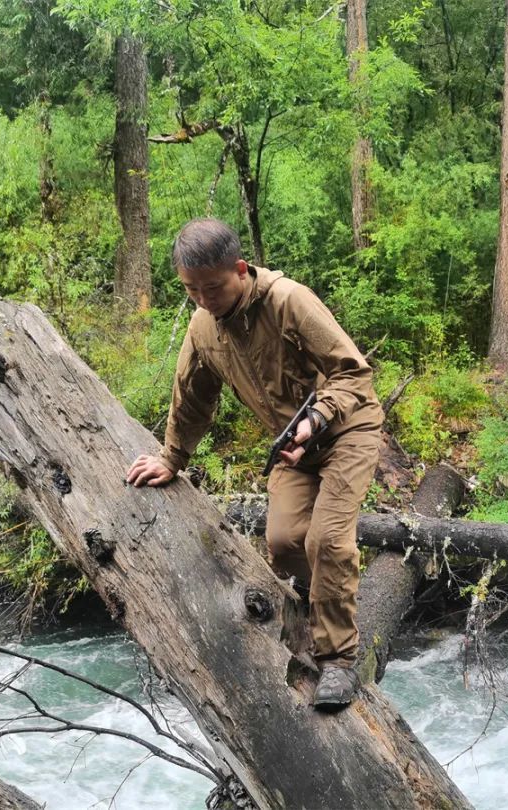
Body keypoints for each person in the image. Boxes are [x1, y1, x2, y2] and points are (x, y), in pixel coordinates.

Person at [125, 218, 383, 710]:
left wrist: (319, 417)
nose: (203, 299)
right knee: (284, 543)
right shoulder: (203, 327)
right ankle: (320, 593)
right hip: (292, 447)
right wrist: (172, 458)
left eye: (213, 288)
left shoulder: (290, 301)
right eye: (190, 290)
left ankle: (339, 662)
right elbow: (191, 398)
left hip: (349, 429)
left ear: (240, 270)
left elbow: (353, 374)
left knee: (326, 540)